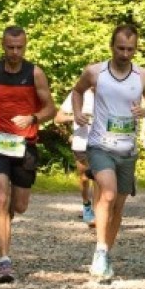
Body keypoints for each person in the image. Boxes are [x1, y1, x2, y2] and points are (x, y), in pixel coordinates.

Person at [0, 26, 57, 284]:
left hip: (24, 145)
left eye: (20, 47)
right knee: (1, 196)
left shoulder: (35, 73)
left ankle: (5, 221)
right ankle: (4, 260)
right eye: (10, 47)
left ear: (25, 46)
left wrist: (33, 117)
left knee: (19, 206)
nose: (15, 52)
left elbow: (51, 108)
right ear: (2, 46)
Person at [72, 25, 145, 280]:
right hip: (100, 145)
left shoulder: (143, 76)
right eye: (120, 48)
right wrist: (78, 113)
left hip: (127, 150)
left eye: (130, 49)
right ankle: (100, 250)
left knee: (118, 205)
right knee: (107, 194)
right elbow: (77, 91)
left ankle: (106, 252)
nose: (125, 53)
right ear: (112, 46)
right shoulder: (95, 72)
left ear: (136, 49)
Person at [54, 88, 97, 228]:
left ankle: (99, 211)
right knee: (85, 178)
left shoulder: (108, 92)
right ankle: (86, 204)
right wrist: (75, 117)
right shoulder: (77, 94)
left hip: (102, 144)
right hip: (81, 142)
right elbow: (58, 118)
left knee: (100, 177)